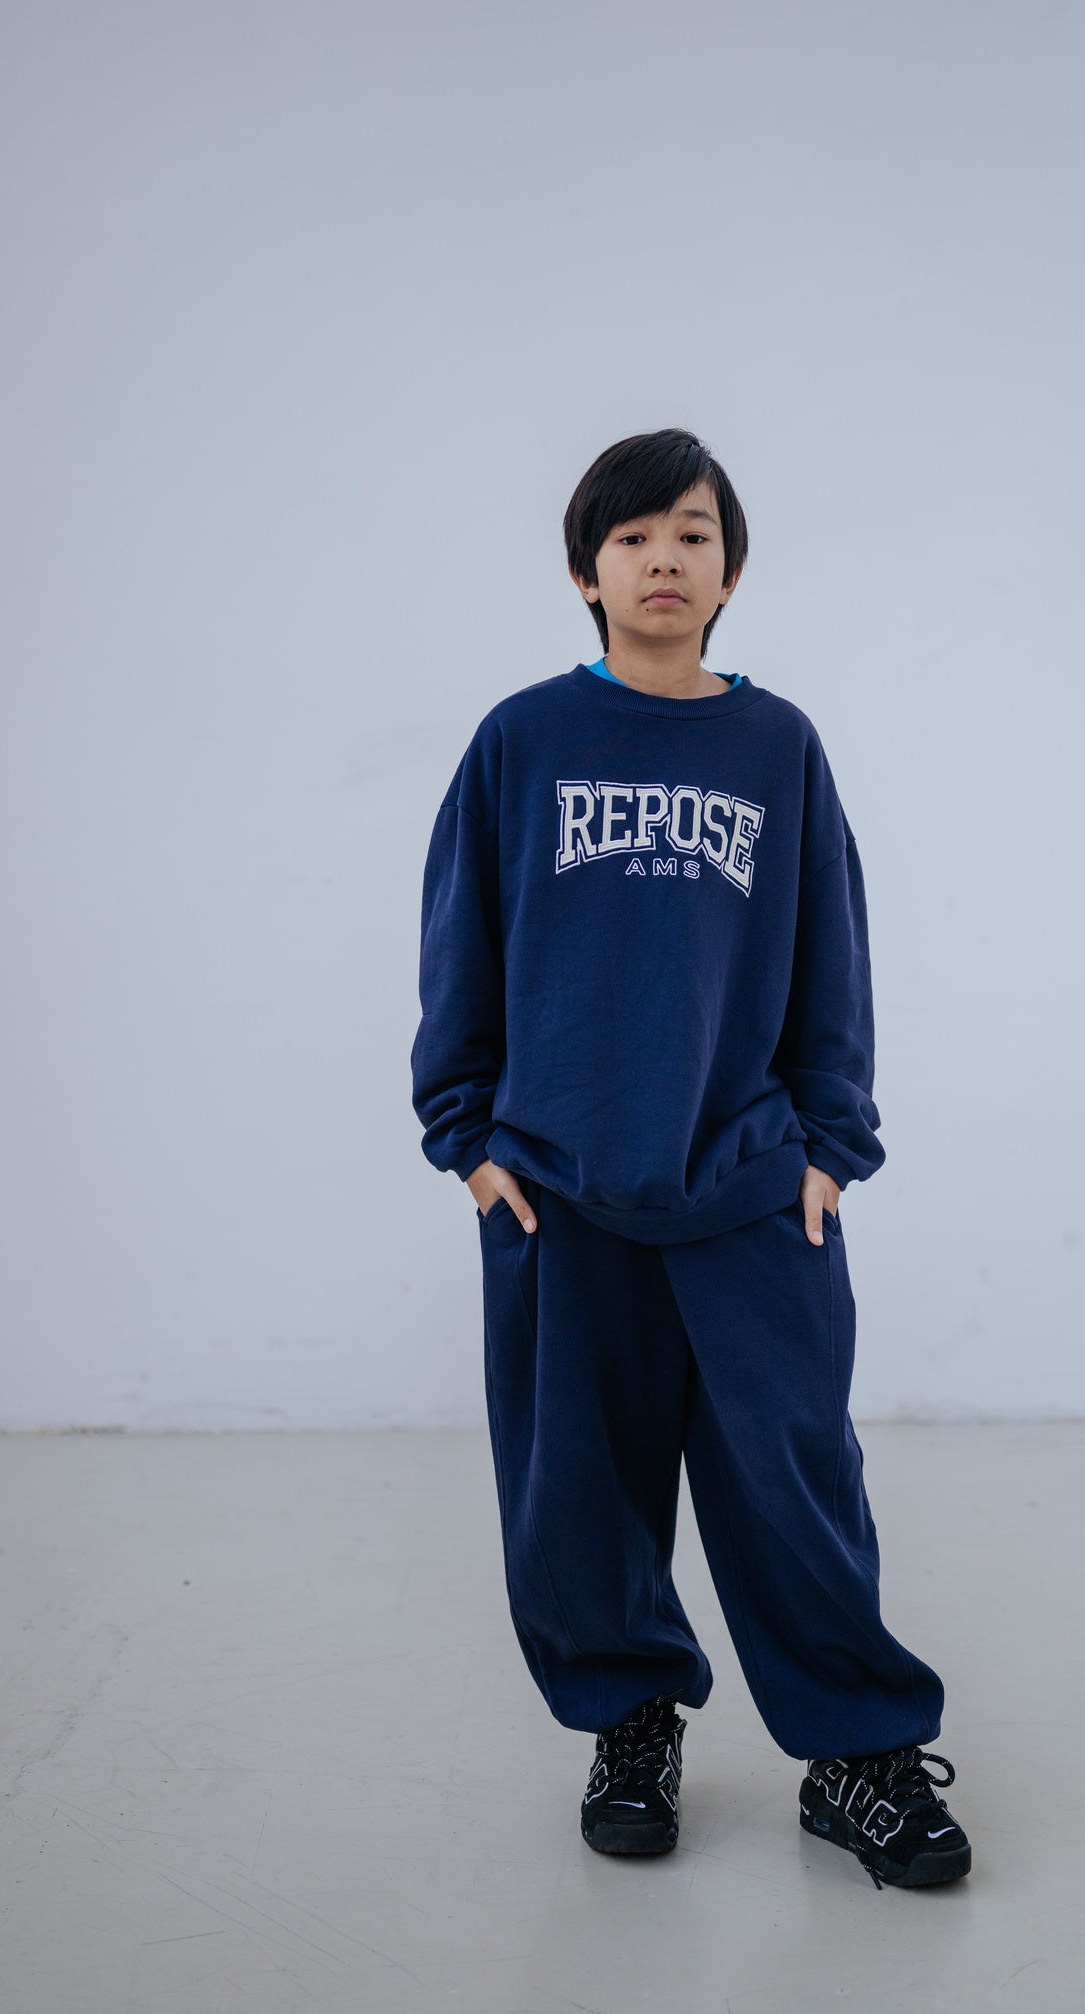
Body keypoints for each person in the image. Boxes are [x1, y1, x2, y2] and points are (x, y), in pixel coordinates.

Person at [409, 427, 972, 1891]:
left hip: (747, 1183)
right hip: (558, 1187)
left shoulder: (777, 747)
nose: (665, 558)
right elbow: (460, 943)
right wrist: (468, 1141)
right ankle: (632, 1722)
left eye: (694, 534)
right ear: (585, 571)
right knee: (577, 1491)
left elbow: (831, 955)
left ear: (729, 575)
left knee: (794, 1481)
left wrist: (830, 1146)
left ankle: (856, 1756)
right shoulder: (523, 741)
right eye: (635, 535)